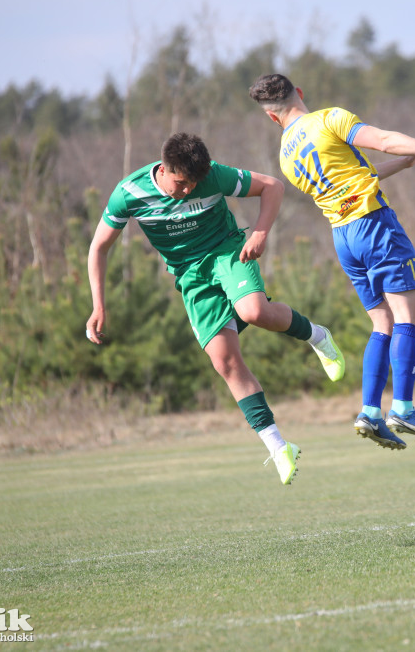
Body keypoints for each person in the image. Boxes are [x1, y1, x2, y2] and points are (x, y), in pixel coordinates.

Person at [85, 132, 346, 485]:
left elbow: (272, 187)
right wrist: (98, 305)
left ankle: (317, 335)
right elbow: (98, 247)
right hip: (190, 276)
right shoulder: (128, 194)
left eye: (194, 183)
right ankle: (279, 446)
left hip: (227, 252)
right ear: (163, 169)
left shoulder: (213, 176)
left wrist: (261, 233)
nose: (189, 190)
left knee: (255, 311)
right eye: (181, 183)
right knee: (225, 362)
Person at [249, 74, 415, 450]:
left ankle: (370, 411)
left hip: (344, 238)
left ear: (272, 117)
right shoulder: (328, 119)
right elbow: (383, 140)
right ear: (300, 94)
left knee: (382, 322)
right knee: (409, 317)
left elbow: (350, 179)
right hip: (374, 225)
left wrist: (400, 166)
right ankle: (402, 407)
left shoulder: (287, 154)